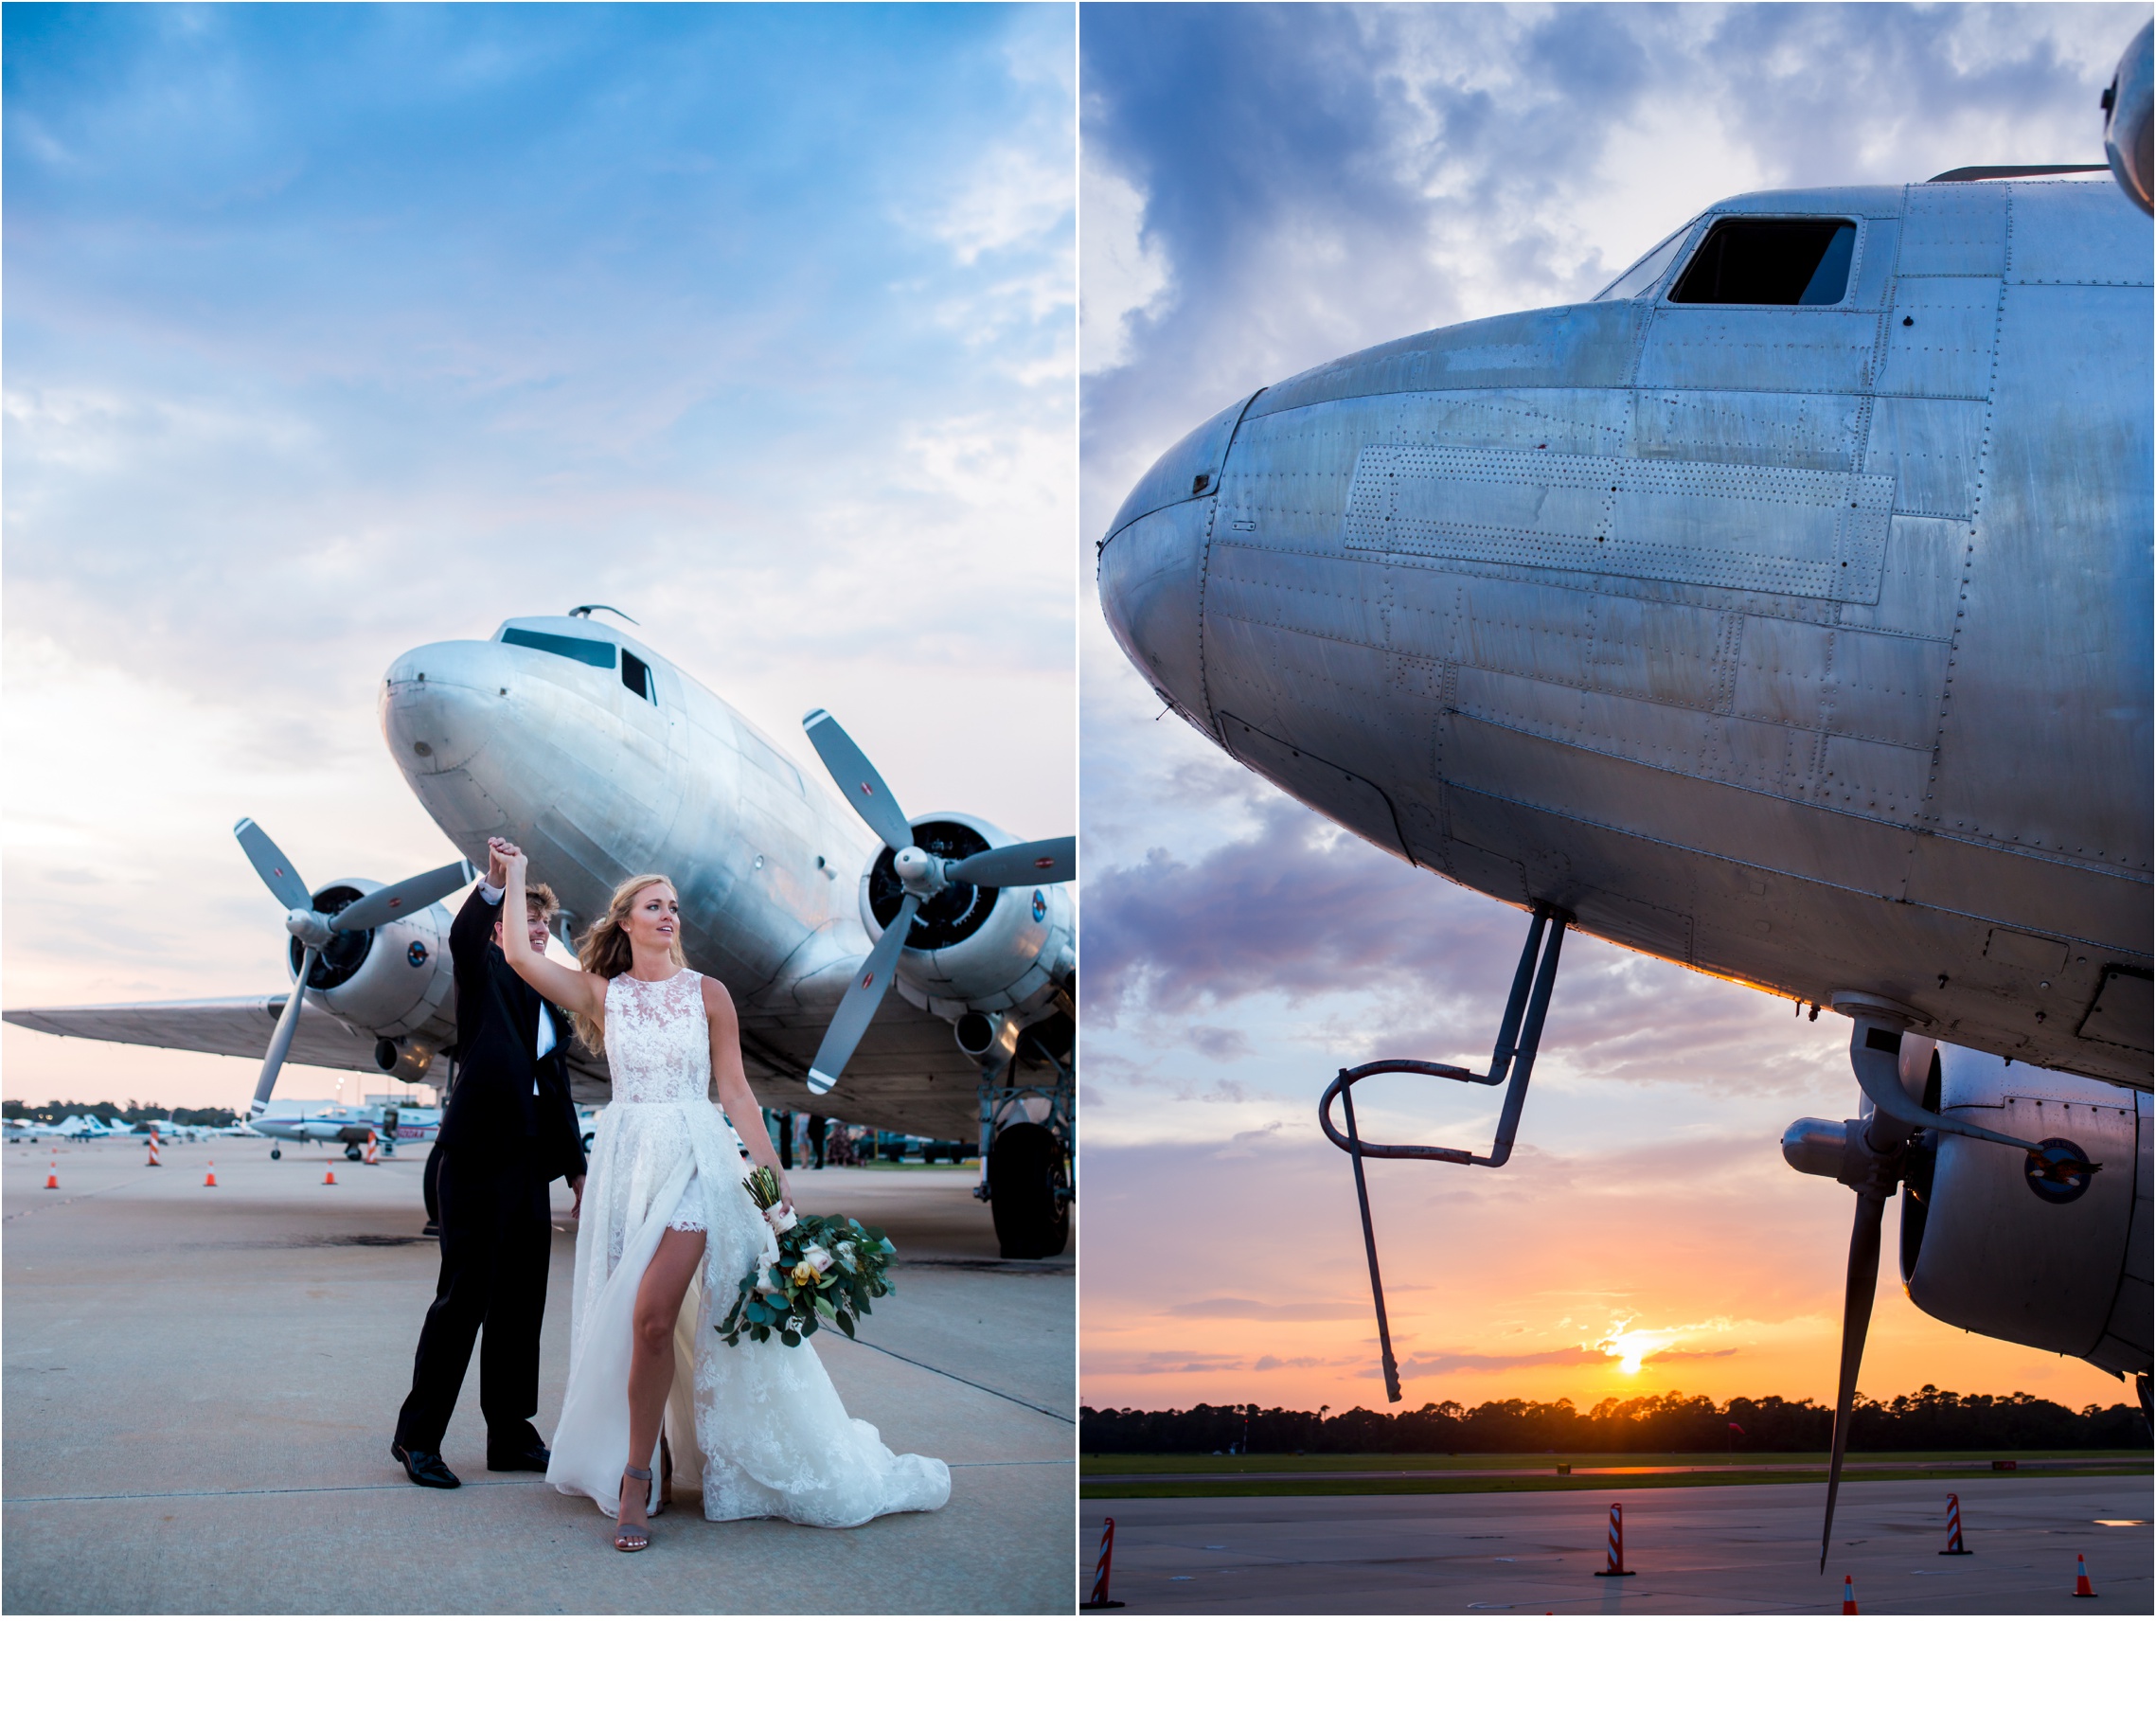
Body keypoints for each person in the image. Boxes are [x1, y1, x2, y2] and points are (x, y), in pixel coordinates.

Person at [497, 856, 949, 1552]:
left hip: (696, 1161)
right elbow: (522, 958)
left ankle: (635, 1483)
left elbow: (735, 1092)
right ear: (625, 922)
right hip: (626, 1163)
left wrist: (771, 1177)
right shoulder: (603, 994)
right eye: (652, 906)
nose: (668, 915)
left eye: (672, 905)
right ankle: (657, 1458)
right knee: (635, 1324)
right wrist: (514, 874)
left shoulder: (708, 993)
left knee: (652, 1318)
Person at [391, 838, 586, 1489]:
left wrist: (577, 1170)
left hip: (528, 1163)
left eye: (544, 925)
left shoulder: (547, 1001)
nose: (536, 931)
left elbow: (554, 1090)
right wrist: (498, 886)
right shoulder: (482, 973)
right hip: (474, 1157)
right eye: (524, 922)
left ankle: (510, 1433)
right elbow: (466, 931)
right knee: (462, 1300)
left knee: (519, 1305)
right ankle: (418, 1440)